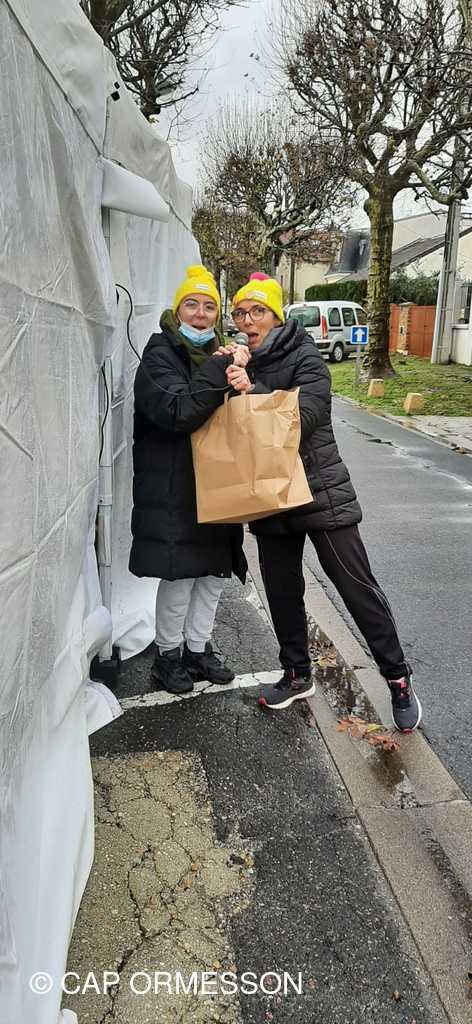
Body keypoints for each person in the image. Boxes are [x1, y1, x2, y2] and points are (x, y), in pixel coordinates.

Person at [225, 272, 422, 733]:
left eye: (258, 311)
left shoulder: (306, 356)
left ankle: (397, 678)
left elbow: (305, 416)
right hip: (269, 493)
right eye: (240, 312)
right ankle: (296, 674)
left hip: (319, 489)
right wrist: (224, 375)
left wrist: (251, 390)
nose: (248, 320)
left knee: (355, 586)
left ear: (276, 317)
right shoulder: (239, 360)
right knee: (282, 591)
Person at [129, 264, 249, 695]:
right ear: (177, 309)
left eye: (209, 306)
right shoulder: (159, 355)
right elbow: (179, 411)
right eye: (192, 304)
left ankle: (199, 649)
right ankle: (168, 656)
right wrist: (220, 370)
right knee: (180, 575)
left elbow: (233, 417)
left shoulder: (221, 355)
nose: (200, 314)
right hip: (174, 486)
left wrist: (243, 383)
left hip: (217, 483)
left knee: (213, 573)